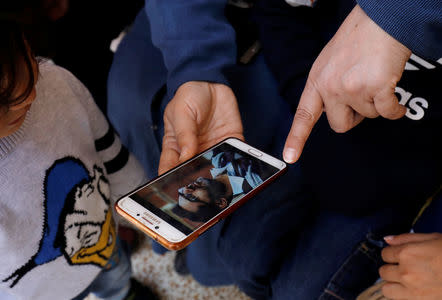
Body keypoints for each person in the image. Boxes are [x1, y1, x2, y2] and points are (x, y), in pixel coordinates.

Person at [107, 1, 441, 299]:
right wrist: (198, 68)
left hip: (399, 166)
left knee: (294, 283)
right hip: (314, 100)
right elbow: (282, 14)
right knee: (240, 252)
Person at [0, 4, 156, 300]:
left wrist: (138, 203)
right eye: (2, 104)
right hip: (38, 293)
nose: (28, 95)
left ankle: (123, 294)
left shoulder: (57, 82)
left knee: (117, 281)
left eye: (25, 60)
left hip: (107, 245)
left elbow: (108, 150)